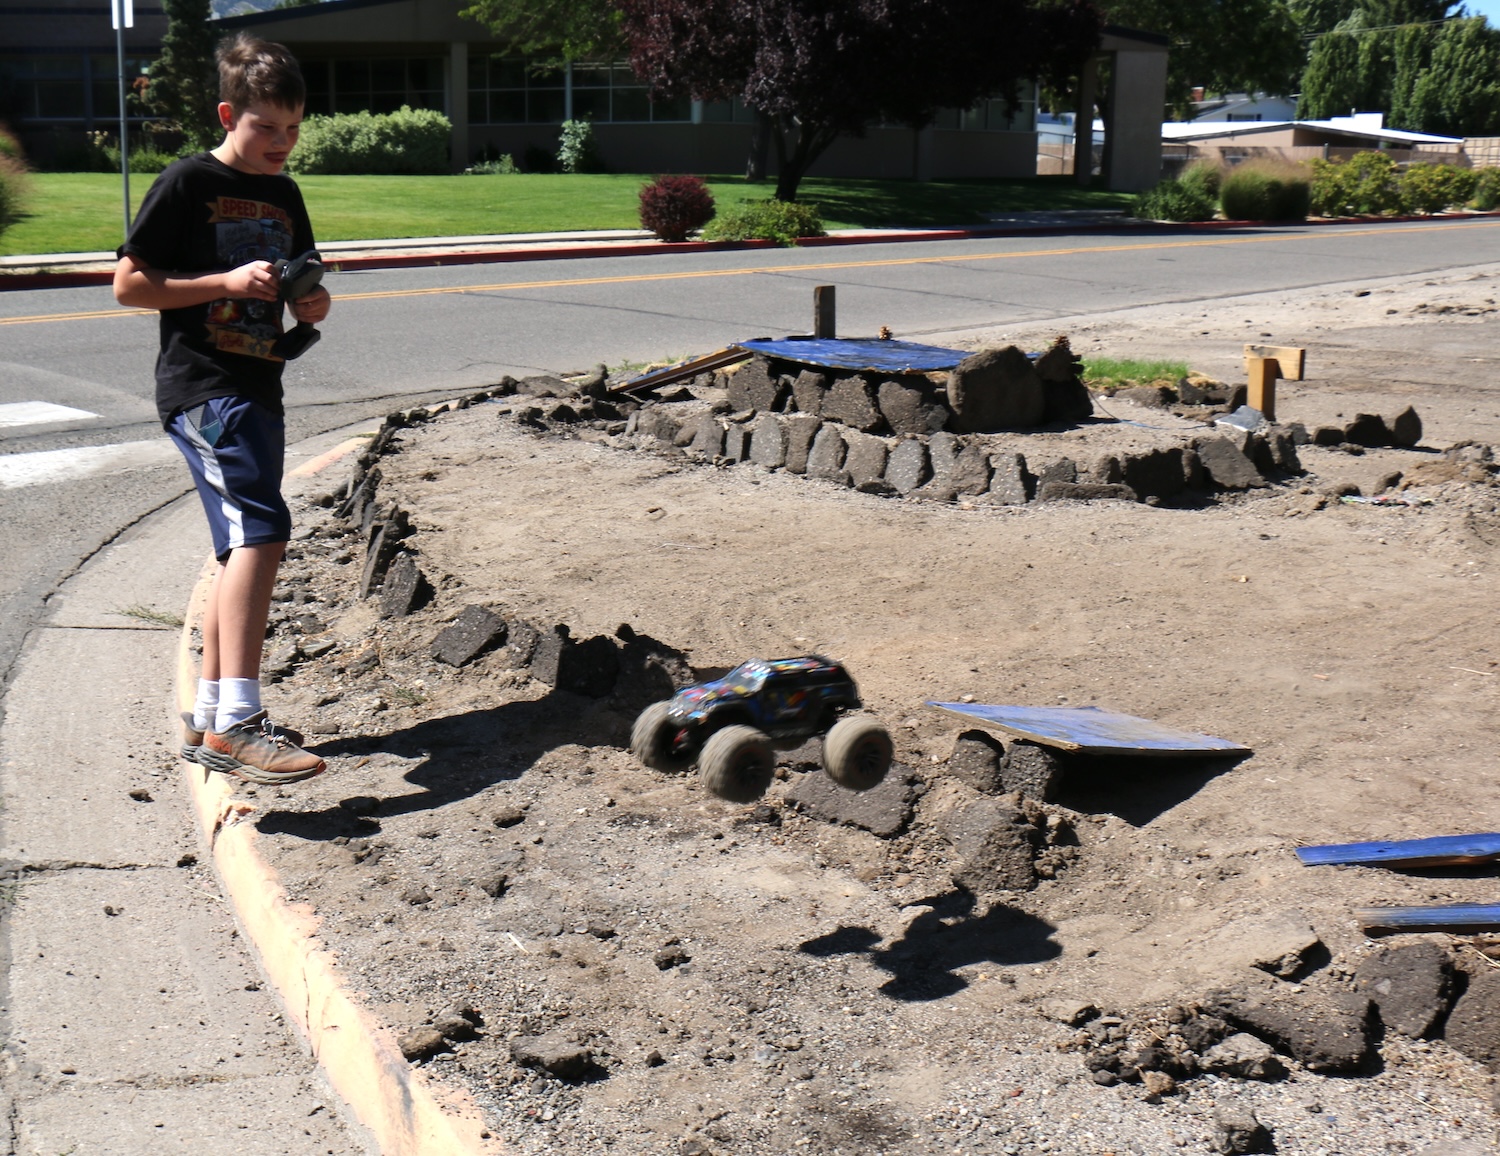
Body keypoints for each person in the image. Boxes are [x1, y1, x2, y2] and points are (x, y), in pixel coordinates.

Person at [114, 32, 329, 785]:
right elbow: (130, 286)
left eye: (293, 128)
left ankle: (211, 718)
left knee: (241, 544)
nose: (281, 143)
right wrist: (227, 284)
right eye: (265, 127)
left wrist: (310, 301)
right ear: (227, 113)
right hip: (204, 388)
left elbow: (303, 277)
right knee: (263, 531)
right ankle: (240, 721)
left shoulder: (286, 193)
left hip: (258, 383)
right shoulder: (186, 183)